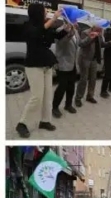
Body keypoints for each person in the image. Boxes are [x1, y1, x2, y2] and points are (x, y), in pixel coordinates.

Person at [16, 5, 68, 138]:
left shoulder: (45, 25)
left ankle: (45, 121)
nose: (47, 12)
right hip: (34, 65)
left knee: (47, 96)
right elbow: (36, 33)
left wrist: (68, 27)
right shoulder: (28, 26)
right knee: (37, 97)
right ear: (37, 12)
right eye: (45, 10)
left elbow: (56, 35)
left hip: (47, 64)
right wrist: (54, 18)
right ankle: (22, 124)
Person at [52, 23, 79, 119]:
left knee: (71, 86)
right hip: (63, 63)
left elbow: (77, 45)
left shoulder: (75, 30)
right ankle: (55, 107)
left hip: (73, 64)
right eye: (73, 19)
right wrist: (69, 33)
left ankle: (68, 105)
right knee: (62, 87)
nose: (75, 21)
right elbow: (61, 44)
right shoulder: (60, 30)